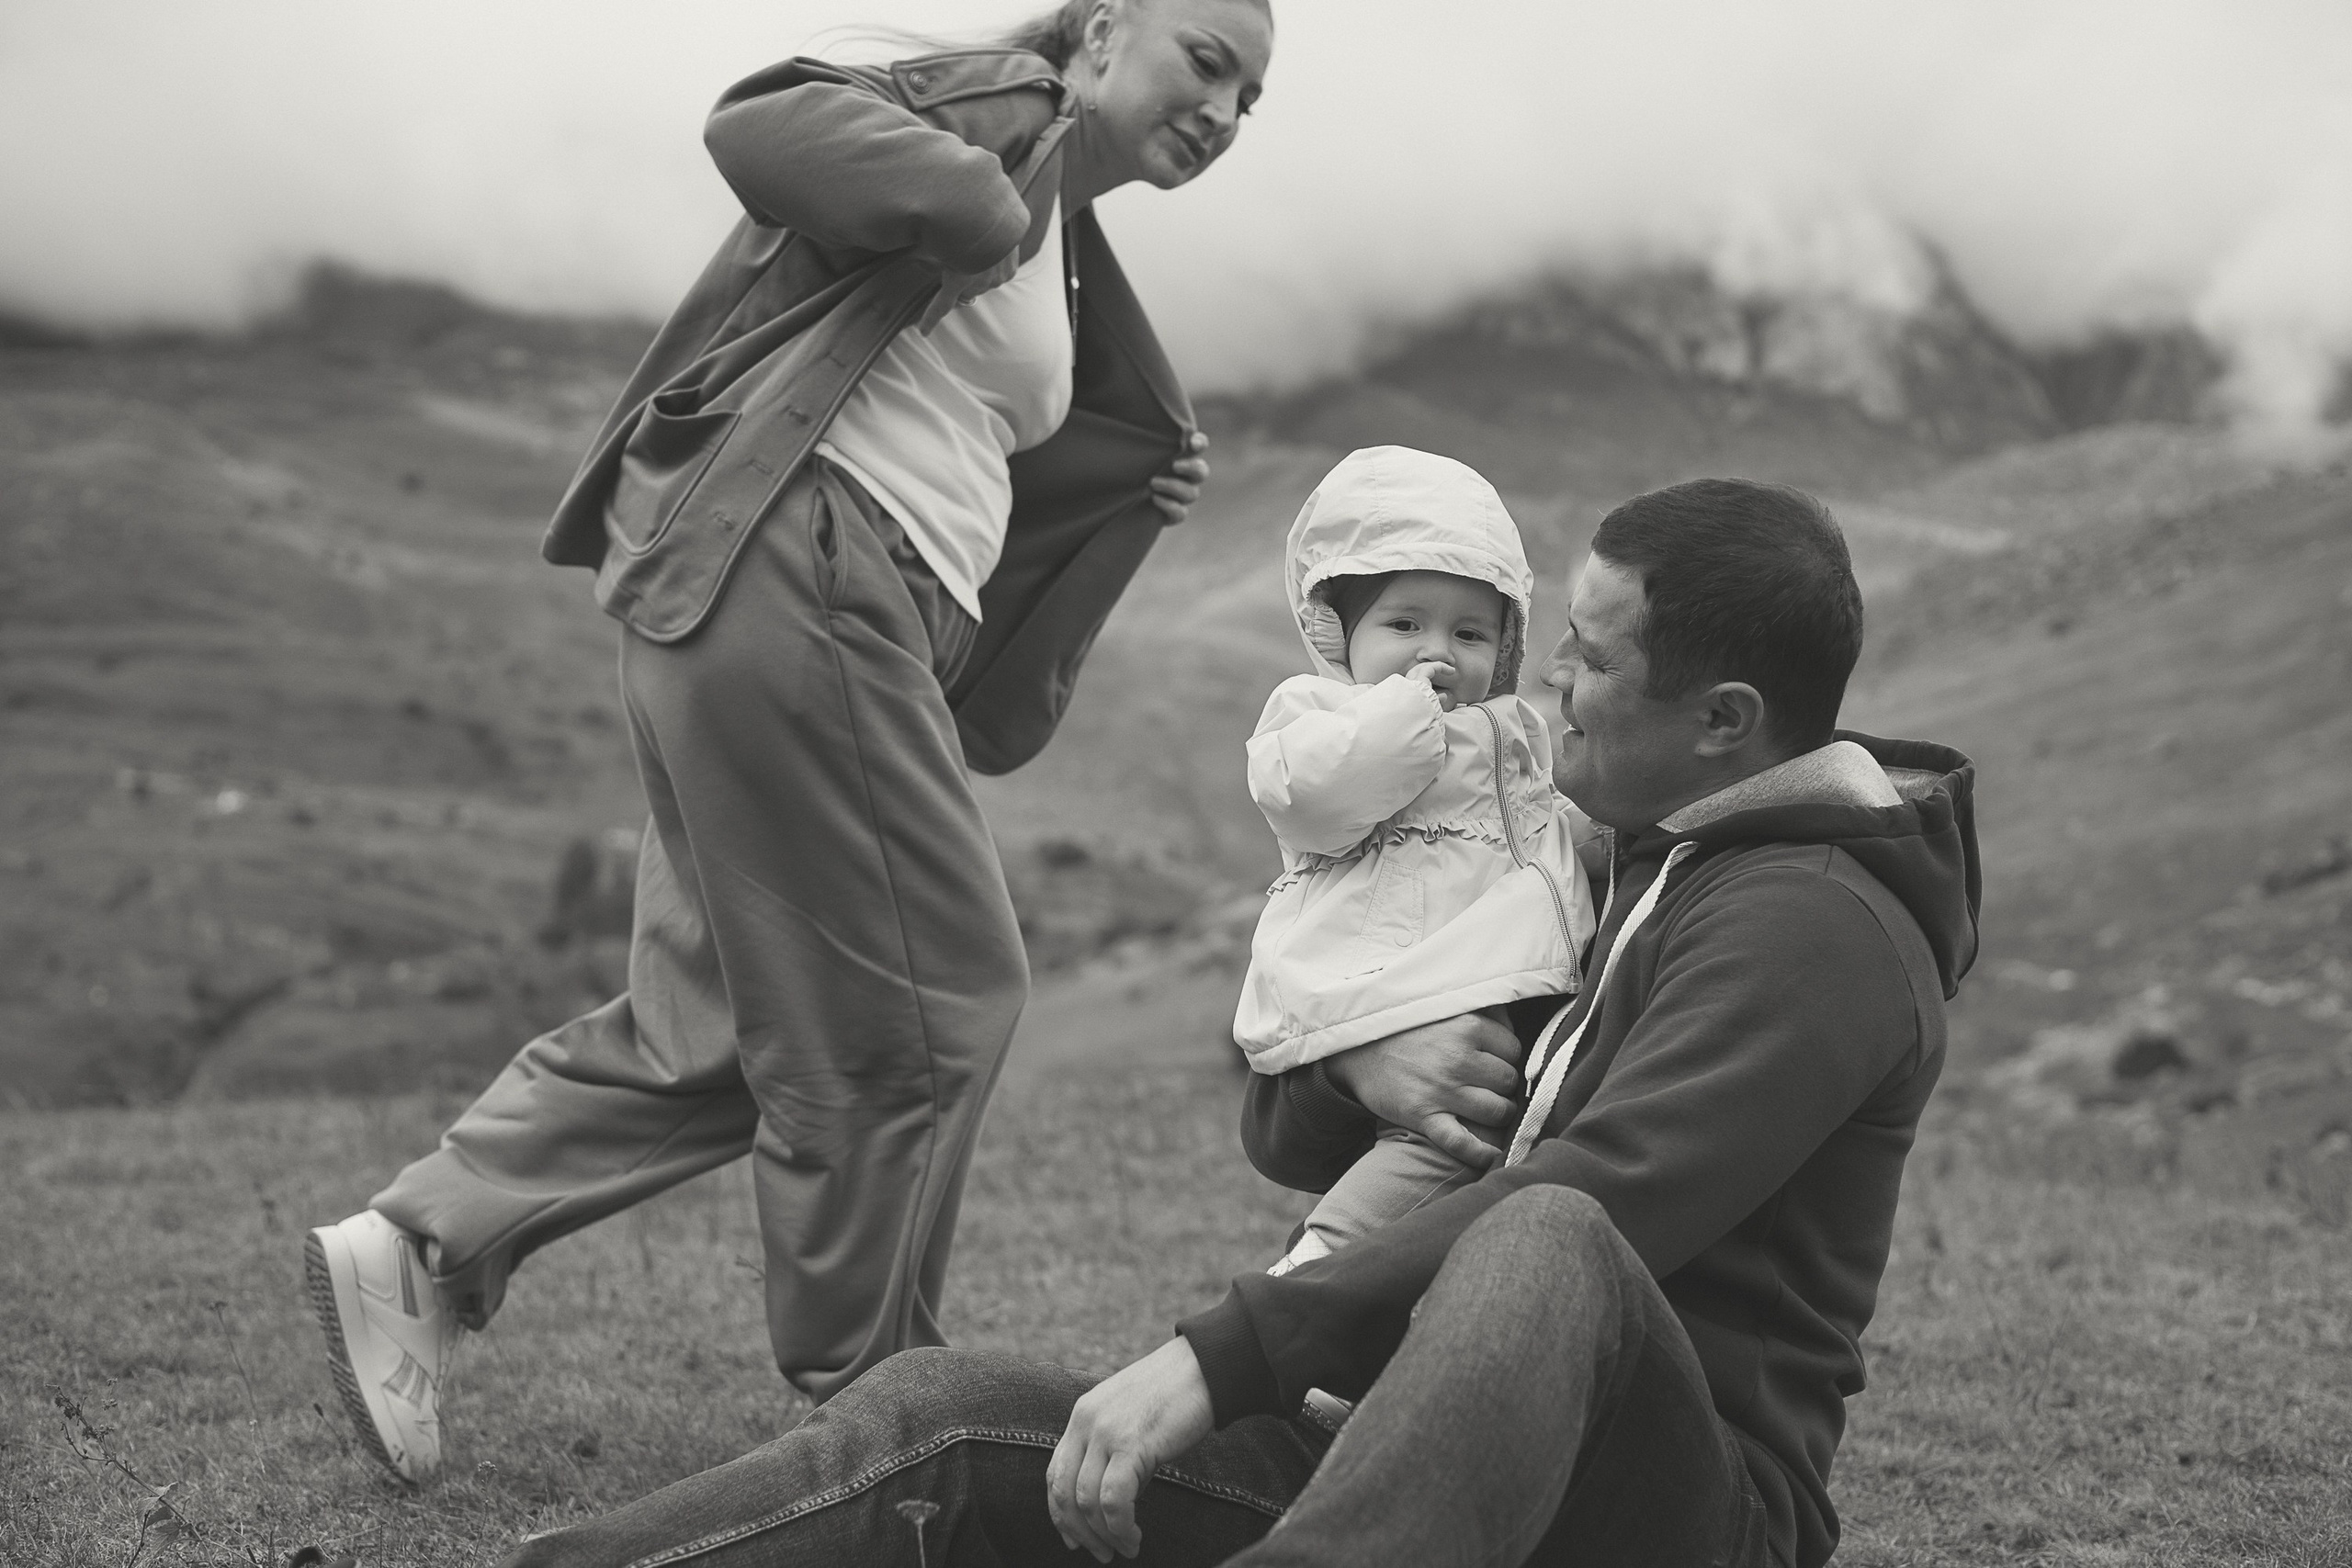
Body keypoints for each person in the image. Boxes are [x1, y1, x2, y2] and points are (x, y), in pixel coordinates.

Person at [494, 477, 1982, 1568]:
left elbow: (1603, 1204)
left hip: (1679, 1512)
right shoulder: (1644, 856)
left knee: (1550, 1236)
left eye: (1591, 658)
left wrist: (1220, 1359)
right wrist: (1360, 1060)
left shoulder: (1816, 925)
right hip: (1427, 1443)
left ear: (1724, 719)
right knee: (951, 1409)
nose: (1551, 688)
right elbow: (1282, 1130)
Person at [302, 0, 1277, 1484]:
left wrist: (1134, 470)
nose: (1224, 107)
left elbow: (978, 412)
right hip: (810, 563)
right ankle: (881, 1418)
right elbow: (760, 119)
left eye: (1251, 99)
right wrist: (966, 196)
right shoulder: (1005, 115)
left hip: (799, 601)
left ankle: (421, 1239)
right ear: (1099, 34)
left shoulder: (1070, 241)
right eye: (1207, 59)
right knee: (947, 991)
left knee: (719, 1025)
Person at [1235, 446, 1596, 1277]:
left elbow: (1527, 833)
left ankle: (1362, 1305)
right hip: (1386, 984)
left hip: (1475, 976)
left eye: (1471, 632)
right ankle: (1318, 1273)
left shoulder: (1504, 726)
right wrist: (1406, 708)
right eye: (1404, 624)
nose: (1438, 652)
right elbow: (1309, 795)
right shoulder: (1321, 712)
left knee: (1469, 1148)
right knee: (1440, 1137)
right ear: (1336, 628)